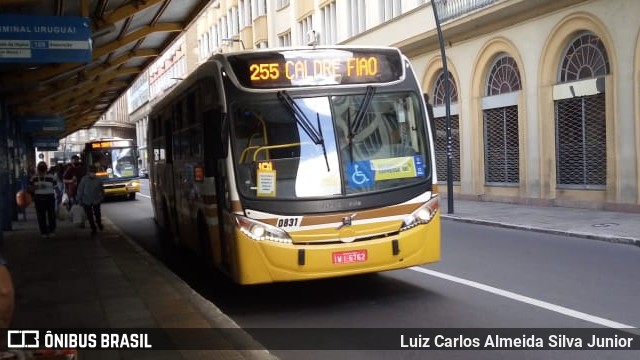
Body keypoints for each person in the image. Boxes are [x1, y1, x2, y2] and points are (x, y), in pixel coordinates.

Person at [29, 162, 57, 238]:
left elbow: (55, 187)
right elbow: (30, 189)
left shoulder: (51, 177)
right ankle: (44, 231)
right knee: (42, 216)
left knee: (50, 215)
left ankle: (50, 230)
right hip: (40, 198)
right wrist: (37, 187)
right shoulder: (34, 178)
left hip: (49, 198)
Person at [76, 165, 105, 236]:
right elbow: (80, 190)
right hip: (86, 200)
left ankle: (99, 223)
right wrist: (79, 199)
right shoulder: (84, 179)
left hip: (96, 199)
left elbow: (102, 189)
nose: (92, 174)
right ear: (88, 173)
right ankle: (93, 228)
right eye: (91, 172)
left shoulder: (99, 179)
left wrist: (102, 197)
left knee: (97, 213)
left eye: (93, 172)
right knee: (89, 215)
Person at [63, 155, 86, 227]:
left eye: (77, 160)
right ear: (71, 161)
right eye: (74, 160)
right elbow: (64, 180)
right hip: (73, 191)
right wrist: (71, 181)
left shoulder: (82, 169)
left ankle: (82, 221)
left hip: (82, 191)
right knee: (76, 206)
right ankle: (78, 221)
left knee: (82, 206)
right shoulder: (69, 169)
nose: (76, 161)